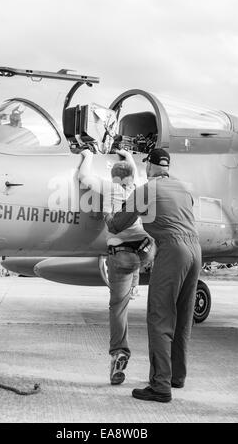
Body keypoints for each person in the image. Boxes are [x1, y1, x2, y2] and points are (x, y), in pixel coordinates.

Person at [106, 148, 201, 402]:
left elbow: (118, 224)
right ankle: (176, 376)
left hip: (172, 250)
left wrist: (109, 215)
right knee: (182, 316)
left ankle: (160, 385)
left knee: (160, 316)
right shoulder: (183, 187)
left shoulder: (146, 190)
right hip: (195, 251)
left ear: (149, 166)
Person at [78, 148, 155, 385]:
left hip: (121, 254)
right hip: (146, 250)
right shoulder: (138, 187)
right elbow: (133, 171)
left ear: (114, 177)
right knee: (134, 268)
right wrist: (127, 155)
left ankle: (119, 352)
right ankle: (134, 285)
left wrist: (87, 155)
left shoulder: (109, 187)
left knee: (118, 308)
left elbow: (83, 177)